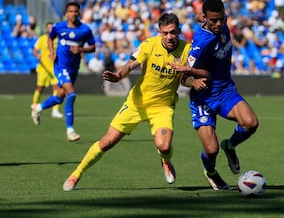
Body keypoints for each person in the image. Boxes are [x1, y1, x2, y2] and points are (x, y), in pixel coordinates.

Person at [62, 13, 191, 191]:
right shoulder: (149, 45)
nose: (169, 37)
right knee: (107, 142)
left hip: (162, 107)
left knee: (164, 145)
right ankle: (76, 174)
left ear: (179, 31)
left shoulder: (187, 50)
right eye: (165, 33)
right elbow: (130, 65)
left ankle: (166, 161)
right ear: (159, 32)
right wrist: (118, 75)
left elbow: (188, 77)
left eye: (173, 32)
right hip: (136, 104)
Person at [169, 0, 259, 190]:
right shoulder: (201, 44)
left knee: (251, 123)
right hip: (203, 98)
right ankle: (211, 172)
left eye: (221, 19)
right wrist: (194, 81)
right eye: (213, 21)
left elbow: (202, 17)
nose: (218, 24)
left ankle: (231, 145)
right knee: (211, 150)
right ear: (205, 18)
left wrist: (200, 18)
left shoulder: (221, 24)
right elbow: (183, 76)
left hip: (225, 90)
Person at [31, 2, 96, 141]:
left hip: (74, 67)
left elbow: (93, 47)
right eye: (70, 11)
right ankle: (70, 130)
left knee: (59, 97)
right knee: (71, 94)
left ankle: (38, 108)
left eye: (75, 11)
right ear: (66, 13)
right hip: (61, 65)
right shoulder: (59, 27)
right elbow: (50, 38)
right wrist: (52, 51)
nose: (73, 14)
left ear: (79, 13)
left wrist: (81, 50)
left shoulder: (85, 30)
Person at [31, 21, 63, 119]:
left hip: (54, 68)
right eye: (48, 27)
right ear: (46, 29)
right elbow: (35, 50)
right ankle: (34, 107)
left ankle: (55, 110)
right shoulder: (42, 39)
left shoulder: (58, 39)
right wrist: (37, 55)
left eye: (52, 27)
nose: (50, 29)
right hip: (43, 68)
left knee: (57, 89)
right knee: (40, 88)